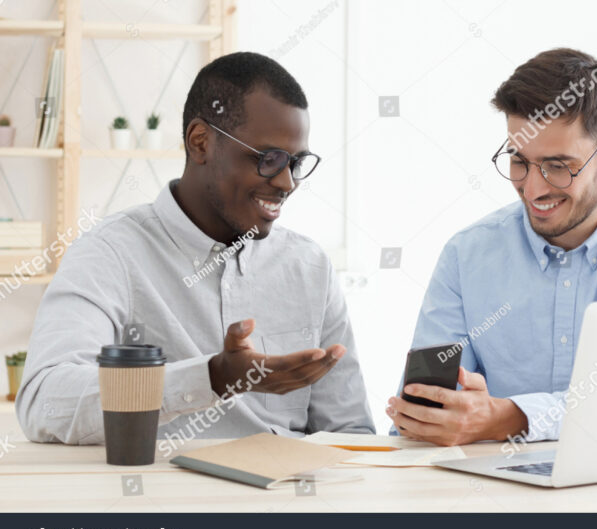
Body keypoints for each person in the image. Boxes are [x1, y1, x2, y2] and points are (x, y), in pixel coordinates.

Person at [17, 52, 374, 444]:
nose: (287, 183)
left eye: (297, 162)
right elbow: (44, 401)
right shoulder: (110, 254)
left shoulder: (310, 267)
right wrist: (212, 378)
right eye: (269, 159)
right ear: (200, 142)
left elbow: (350, 434)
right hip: (161, 502)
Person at [386, 48, 597, 446]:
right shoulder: (466, 255)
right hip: (496, 492)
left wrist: (509, 418)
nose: (534, 188)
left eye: (558, 165)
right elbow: (425, 411)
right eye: (518, 160)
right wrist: (435, 416)